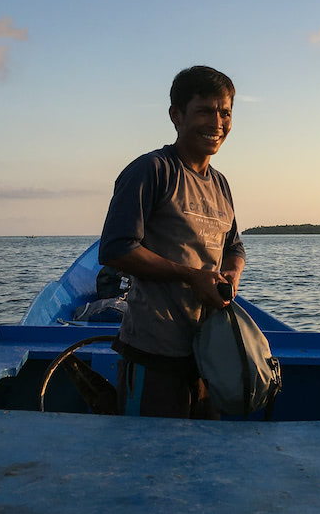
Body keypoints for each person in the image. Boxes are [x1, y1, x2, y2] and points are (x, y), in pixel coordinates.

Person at [98, 66, 244, 419]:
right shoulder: (153, 170)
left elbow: (234, 246)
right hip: (154, 351)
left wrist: (230, 275)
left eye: (225, 112)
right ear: (176, 115)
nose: (218, 122)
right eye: (205, 111)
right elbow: (116, 247)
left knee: (203, 461)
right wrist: (191, 276)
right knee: (148, 463)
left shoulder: (220, 184)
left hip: (208, 354)